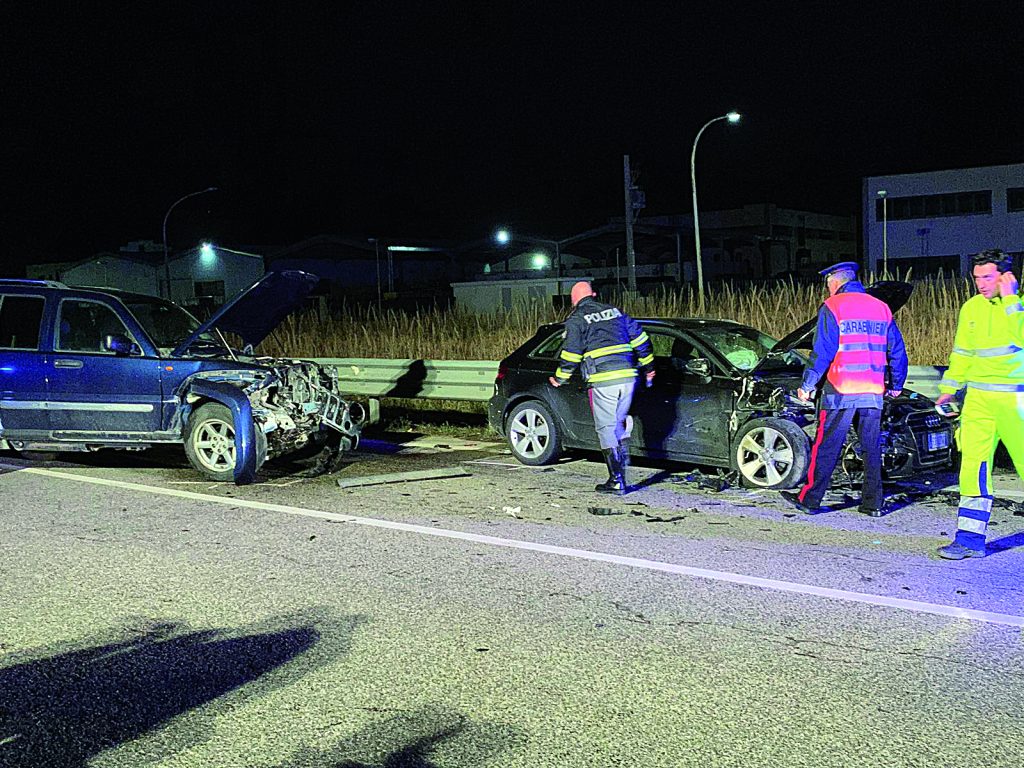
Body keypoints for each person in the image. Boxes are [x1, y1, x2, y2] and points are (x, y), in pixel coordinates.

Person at [780, 261, 908, 516]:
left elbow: (822, 351)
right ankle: (873, 504)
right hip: (872, 392)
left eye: (828, 283)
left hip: (841, 390)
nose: (828, 288)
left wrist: (807, 385)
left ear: (836, 281)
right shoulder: (881, 307)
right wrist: (896, 385)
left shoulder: (833, 306)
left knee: (826, 446)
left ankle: (810, 500)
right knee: (871, 449)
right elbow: (897, 351)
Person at [934, 249, 1024, 560]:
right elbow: (962, 353)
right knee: (972, 468)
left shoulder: (1019, 305)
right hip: (978, 401)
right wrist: (948, 390)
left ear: (1006, 276)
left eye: (987, 277)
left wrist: (1011, 300)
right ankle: (969, 540)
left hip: (1016, 399)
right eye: (976, 278)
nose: (981, 284)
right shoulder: (971, 307)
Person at [549, 281, 655, 494]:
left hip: (604, 379)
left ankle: (616, 480)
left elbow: (571, 354)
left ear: (573, 300)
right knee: (617, 422)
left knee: (605, 428)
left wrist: (560, 378)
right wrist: (649, 367)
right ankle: (622, 452)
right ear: (594, 295)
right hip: (628, 377)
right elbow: (641, 339)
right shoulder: (615, 312)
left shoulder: (576, 319)